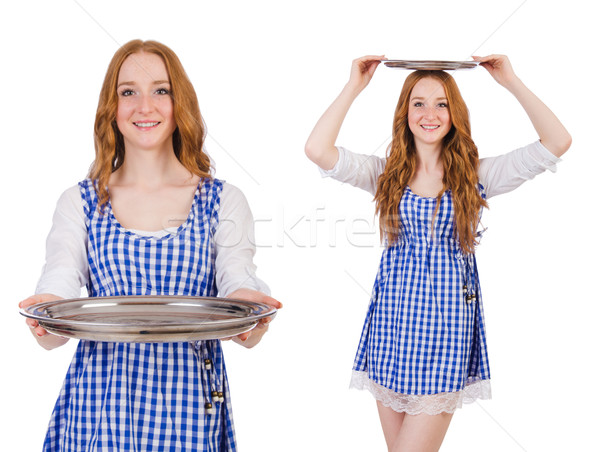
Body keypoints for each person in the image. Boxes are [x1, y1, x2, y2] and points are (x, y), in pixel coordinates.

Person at [18, 39, 281, 451]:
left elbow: (237, 282)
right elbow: (59, 295)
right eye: (128, 92)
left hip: (190, 407)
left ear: (181, 105)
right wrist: (43, 316)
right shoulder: (81, 202)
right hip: (98, 409)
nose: (145, 106)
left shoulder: (223, 200)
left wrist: (251, 313)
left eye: (161, 90)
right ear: (112, 109)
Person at [305, 54, 570, 452]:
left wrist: (510, 81)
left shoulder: (477, 175)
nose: (430, 113)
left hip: (445, 335)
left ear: (454, 113)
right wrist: (354, 86)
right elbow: (317, 148)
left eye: (441, 103)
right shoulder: (385, 175)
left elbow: (557, 142)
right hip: (390, 330)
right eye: (419, 103)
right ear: (405, 113)